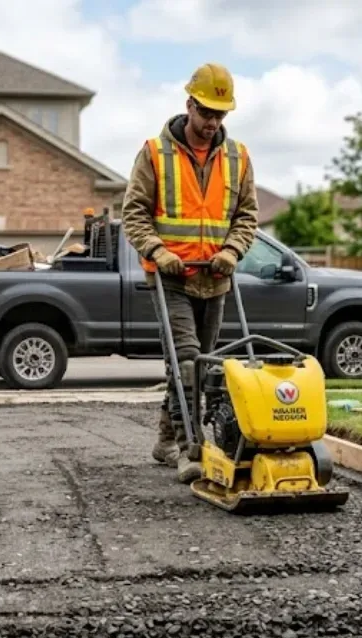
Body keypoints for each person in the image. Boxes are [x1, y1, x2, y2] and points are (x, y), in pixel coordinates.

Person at [121, 63, 259, 483]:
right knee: (186, 363)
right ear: (189, 105)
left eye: (220, 115)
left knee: (203, 365)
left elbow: (247, 216)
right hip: (171, 278)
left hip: (215, 278)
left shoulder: (238, 158)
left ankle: (164, 438)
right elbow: (133, 213)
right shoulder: (154, 153)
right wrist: (157, 251)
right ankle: (189, 448)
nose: (211, 124)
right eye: (206, 114)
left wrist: (233, 251)